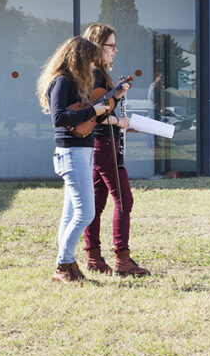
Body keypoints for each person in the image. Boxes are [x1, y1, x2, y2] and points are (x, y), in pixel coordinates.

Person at [37, 36, 117, 283]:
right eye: (90, 61)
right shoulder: (61, 81)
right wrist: (93, 110)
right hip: (71, 153)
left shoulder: (72, 82)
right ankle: (63, 264)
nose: (93, 66)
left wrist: (103, 108)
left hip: (80, 150)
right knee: (85, 213)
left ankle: (67, 263)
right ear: (79, 59)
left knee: (71, 212)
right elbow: (59, 118)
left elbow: (84, 118)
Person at [81, 23, 148, 276]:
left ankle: (94, 257)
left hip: (97, 145)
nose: (115, 50)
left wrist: (117, 96)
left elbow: (99, 108)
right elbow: (96, 115)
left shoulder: (89, 74)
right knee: (124, 200)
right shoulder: (97, 74)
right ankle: (122, 260)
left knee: (96, 203)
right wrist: (119, 121)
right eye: (111, 45)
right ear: (98, 46)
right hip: (105, 144)